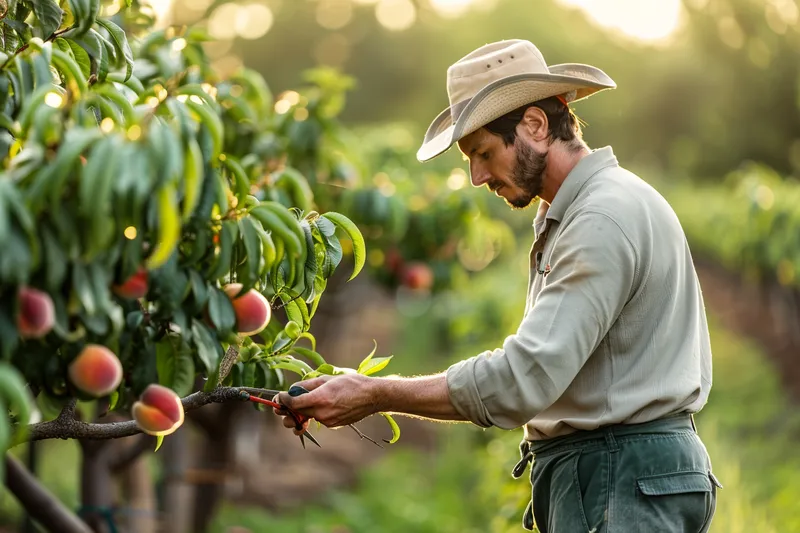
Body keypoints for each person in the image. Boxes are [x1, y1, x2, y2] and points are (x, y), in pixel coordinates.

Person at [273, 39, 722, 532]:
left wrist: (376, 393)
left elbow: (522, 378)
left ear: (535, 124)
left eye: (483, 152)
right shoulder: (587, 208)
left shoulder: (599, 218)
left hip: (618, 473)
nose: (476, 176)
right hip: (620, 473)